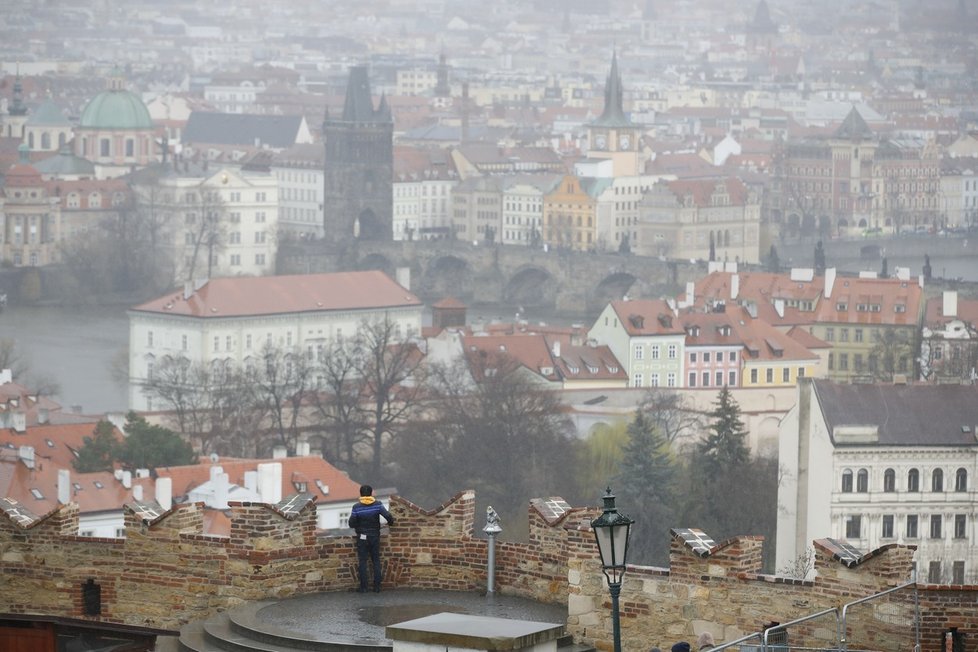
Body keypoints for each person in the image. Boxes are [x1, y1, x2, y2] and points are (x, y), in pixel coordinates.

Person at [348, 485, 395, 593]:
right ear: (371, 494)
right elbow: (387, 515)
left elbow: (351, 523)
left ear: (360, 494)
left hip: (362, 537)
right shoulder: (377, 505)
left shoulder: (356, 507)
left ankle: (364, 588)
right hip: (374, 536)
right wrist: (390, 523)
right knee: (376, 560)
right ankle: (377, 587)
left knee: (363, 561)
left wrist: (358, 525)